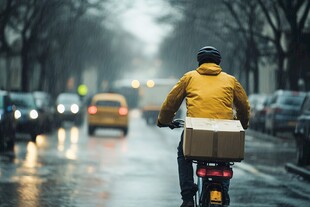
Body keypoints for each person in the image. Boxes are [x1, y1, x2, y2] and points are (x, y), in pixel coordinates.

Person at [157, 46, 250, 207]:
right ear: (218, 62)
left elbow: (171, 103)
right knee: (224, 161)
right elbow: (244, 107)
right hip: (225, 132)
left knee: (183, 154)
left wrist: (164, 120)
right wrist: (242, 124)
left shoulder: (190, 78)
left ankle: (187, 198)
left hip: (196, 132)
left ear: (199, 62)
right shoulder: (230, 80)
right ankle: (223, 192)